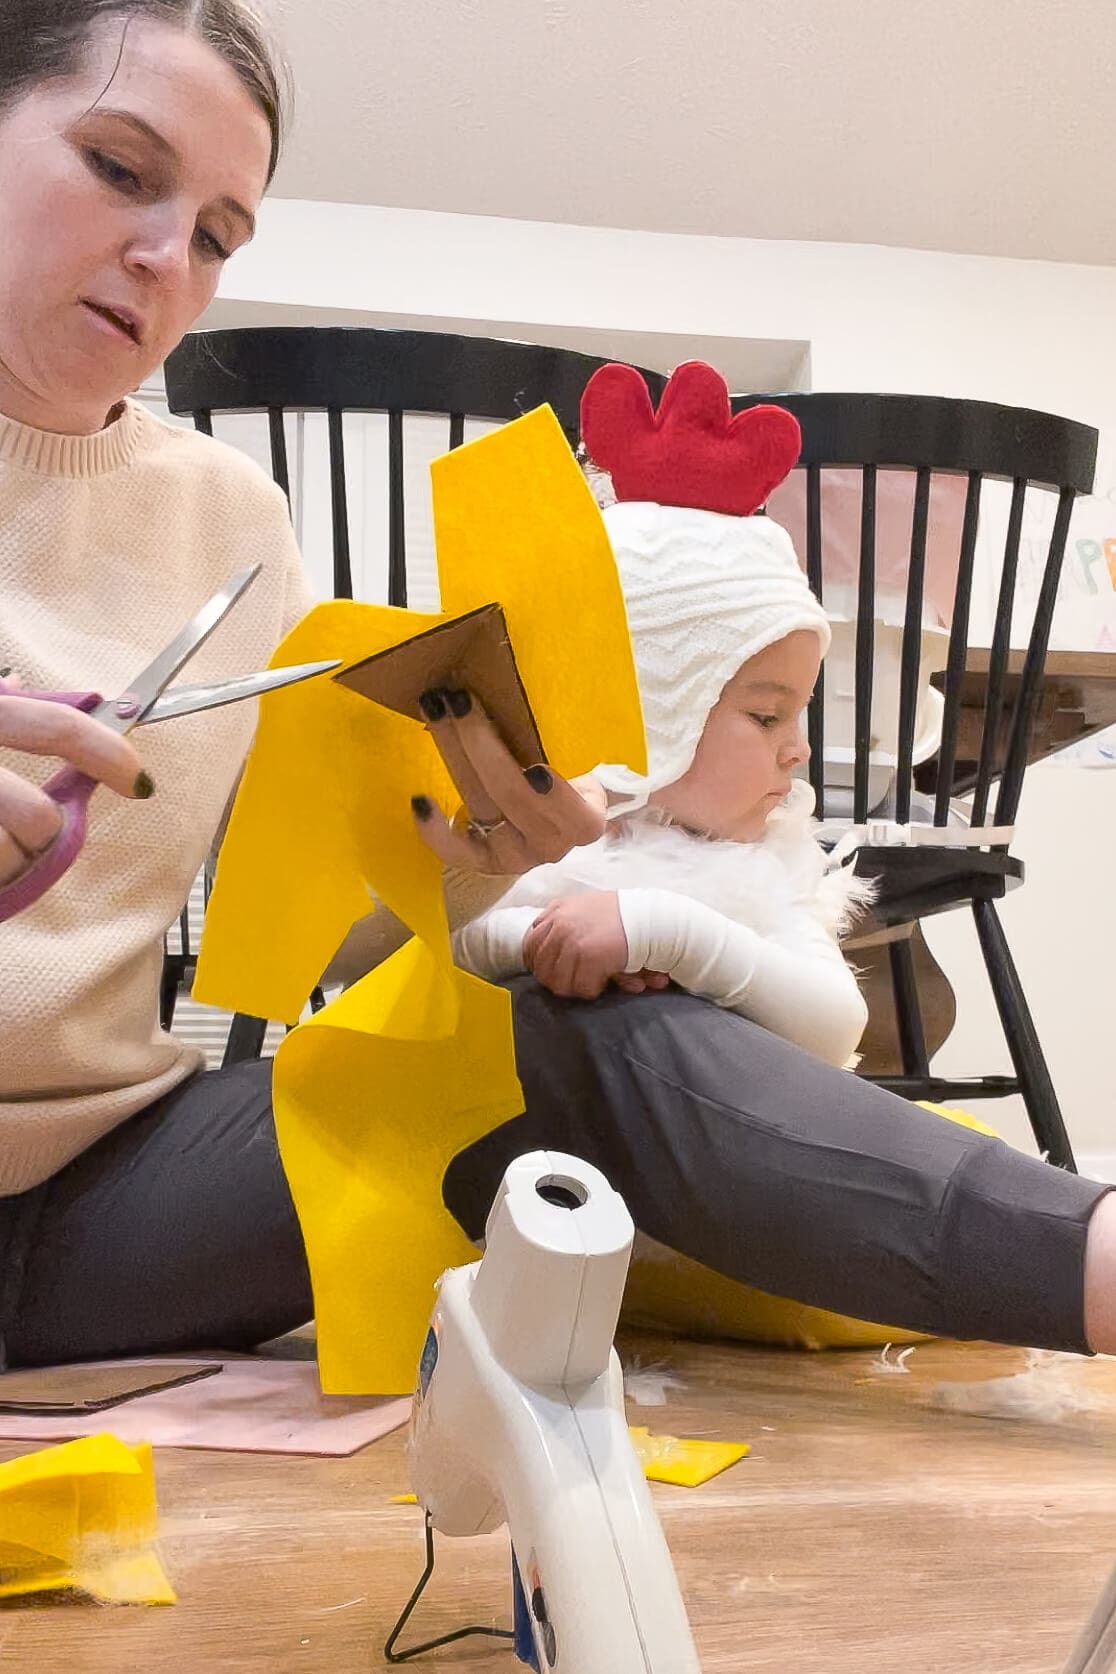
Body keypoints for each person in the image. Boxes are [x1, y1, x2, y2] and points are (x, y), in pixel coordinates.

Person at [3, 0, 1116, 1375]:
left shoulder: (232, 522)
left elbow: (327, 947)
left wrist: (469, 883)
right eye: (119, 168)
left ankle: (1091, 1264)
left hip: (113, 1199)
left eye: (222, 236)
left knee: (564, 1036)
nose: (169, 256)